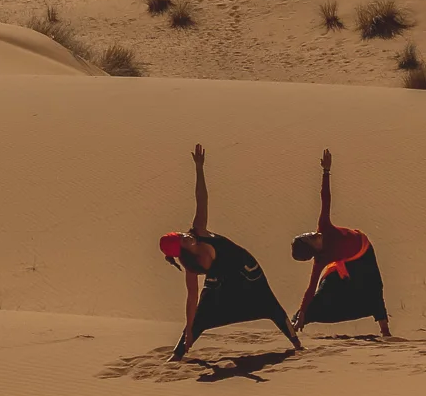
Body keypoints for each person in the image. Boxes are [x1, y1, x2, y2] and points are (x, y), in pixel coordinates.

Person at [160, 144, 302, 362]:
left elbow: (202, 199)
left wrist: (199, 168)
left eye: (180, 234)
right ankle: (177, 355)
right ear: (181, 250)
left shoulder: (198, 230)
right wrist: (189, 328)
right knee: (200, 318)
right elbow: (191, 298)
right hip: (221, 282)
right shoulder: (191, 267)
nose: (184, 235)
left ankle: (297, 345)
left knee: (270, 306)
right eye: (181, 239)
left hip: (246, 270)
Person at [289, 148, 391, 338]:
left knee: (374, 287)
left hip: (364, 250)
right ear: (310, 246)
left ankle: (385, 330)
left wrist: (326, 171)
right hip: (341, 265)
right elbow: (310, 288)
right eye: (308, 237)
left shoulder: (324, 227)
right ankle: (295, 322)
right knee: (322, 296)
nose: (311, 232)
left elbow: (325, 198)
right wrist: (303, 312)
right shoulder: (321, 260)